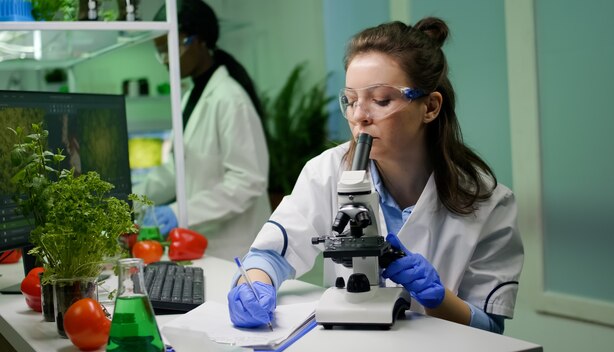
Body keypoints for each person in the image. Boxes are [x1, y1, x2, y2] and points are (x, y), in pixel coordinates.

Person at [227, 18, 523, 334]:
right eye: (352, 101)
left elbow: (490, 328)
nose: (359, 116)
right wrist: (255, 286)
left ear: (430, 107)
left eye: (381, 100)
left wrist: (438, 299)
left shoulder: (489, 202)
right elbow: (270, 256)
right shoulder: (327, 171)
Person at [133, 0, 271, 260]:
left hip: (235, 249)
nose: (165, 61)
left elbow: (247, 181)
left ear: (198, 41)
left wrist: (179, 212)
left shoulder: (230, 98)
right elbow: (177, 168)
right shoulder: (191, 96)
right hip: (203, 244)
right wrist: (132, 199)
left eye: (170, 50)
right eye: (159, 53)